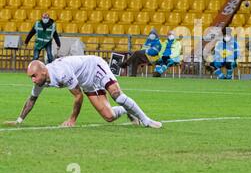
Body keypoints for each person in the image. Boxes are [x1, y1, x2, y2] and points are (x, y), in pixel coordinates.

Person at [3, 56, 162, 128]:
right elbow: (31, 100)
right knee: (109, 117)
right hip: (87, 82)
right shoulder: (41, 80)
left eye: (33, 76)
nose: (32, 80)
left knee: (117, 95)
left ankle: (147, 121)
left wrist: (72, 119)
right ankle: (129, 112)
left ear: (43, 72)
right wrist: (19, 120)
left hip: (95, 67)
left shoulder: (61, 73)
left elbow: (78, 95)